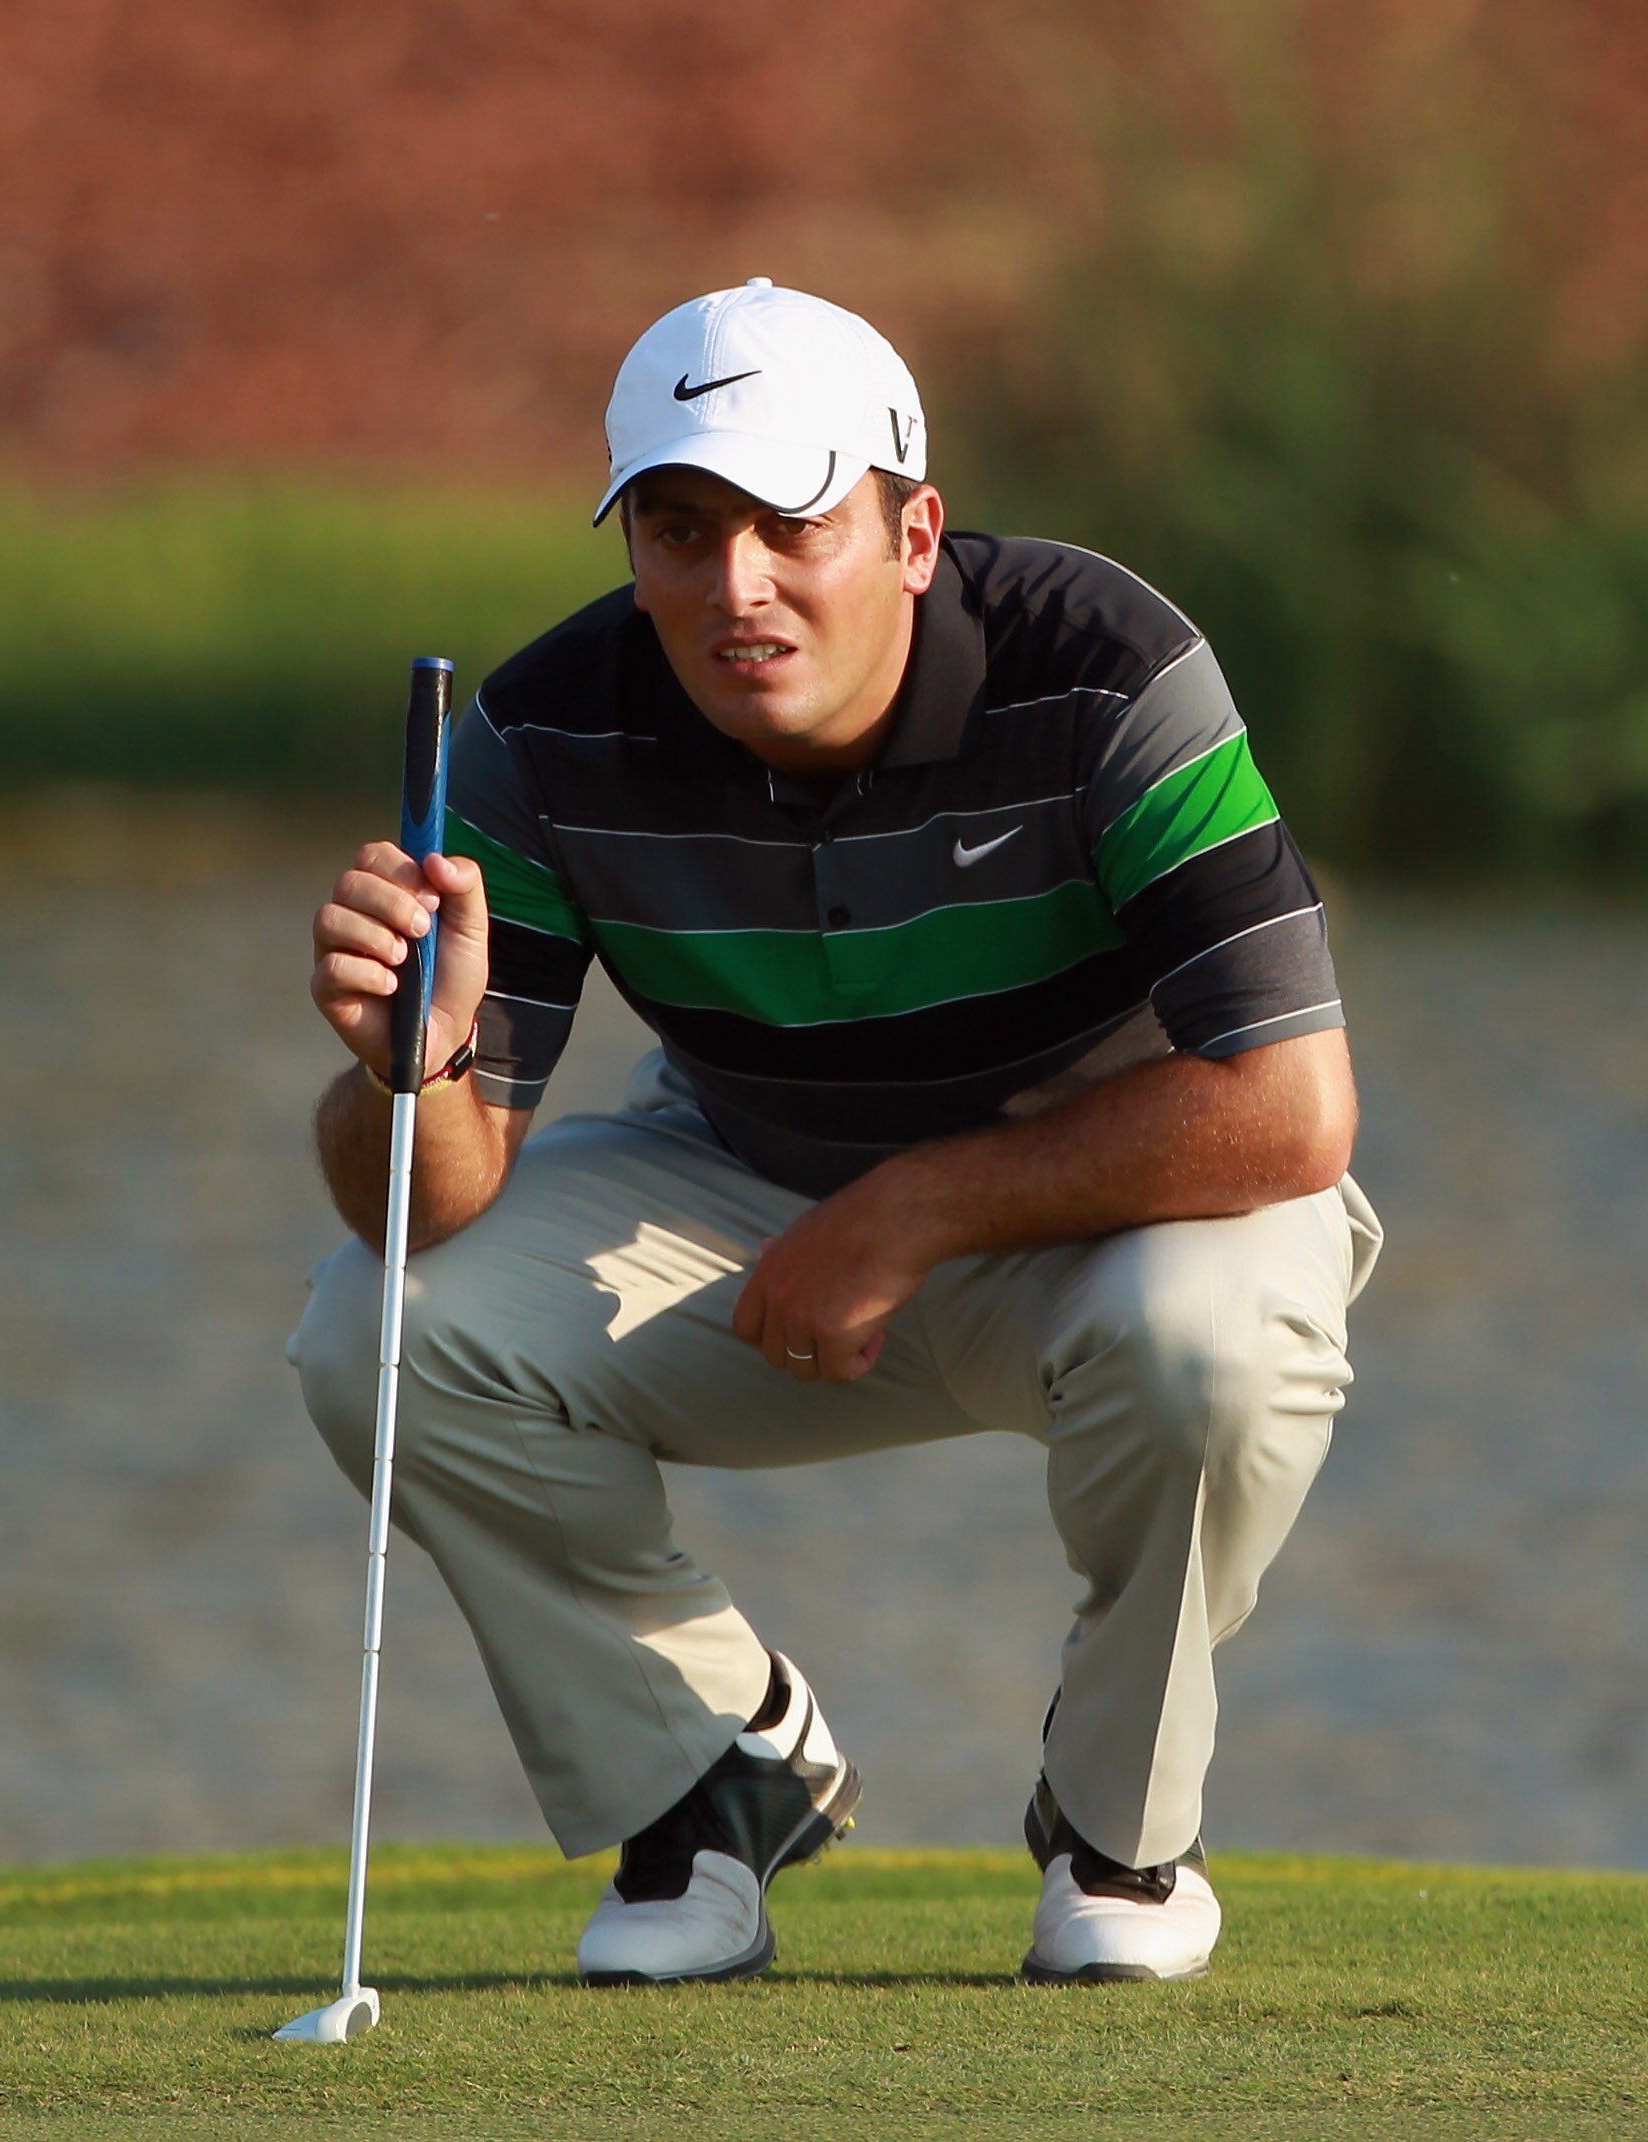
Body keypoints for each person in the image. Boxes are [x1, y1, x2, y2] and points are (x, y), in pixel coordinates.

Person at [294, 277, 1381, 1987]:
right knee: (379, 1327)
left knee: (1211, 1350)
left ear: (912, 533)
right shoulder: (549, 727)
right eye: (678, 531)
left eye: (790, 524)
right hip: (750, 1198)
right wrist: (405, 1074)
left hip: (1129, 1216)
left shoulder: (1104, 668)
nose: (734, 587)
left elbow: (1289, 1107)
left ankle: (1118, 1830)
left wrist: (908, 1209)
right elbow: (422, 1205)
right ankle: (706, 1777)